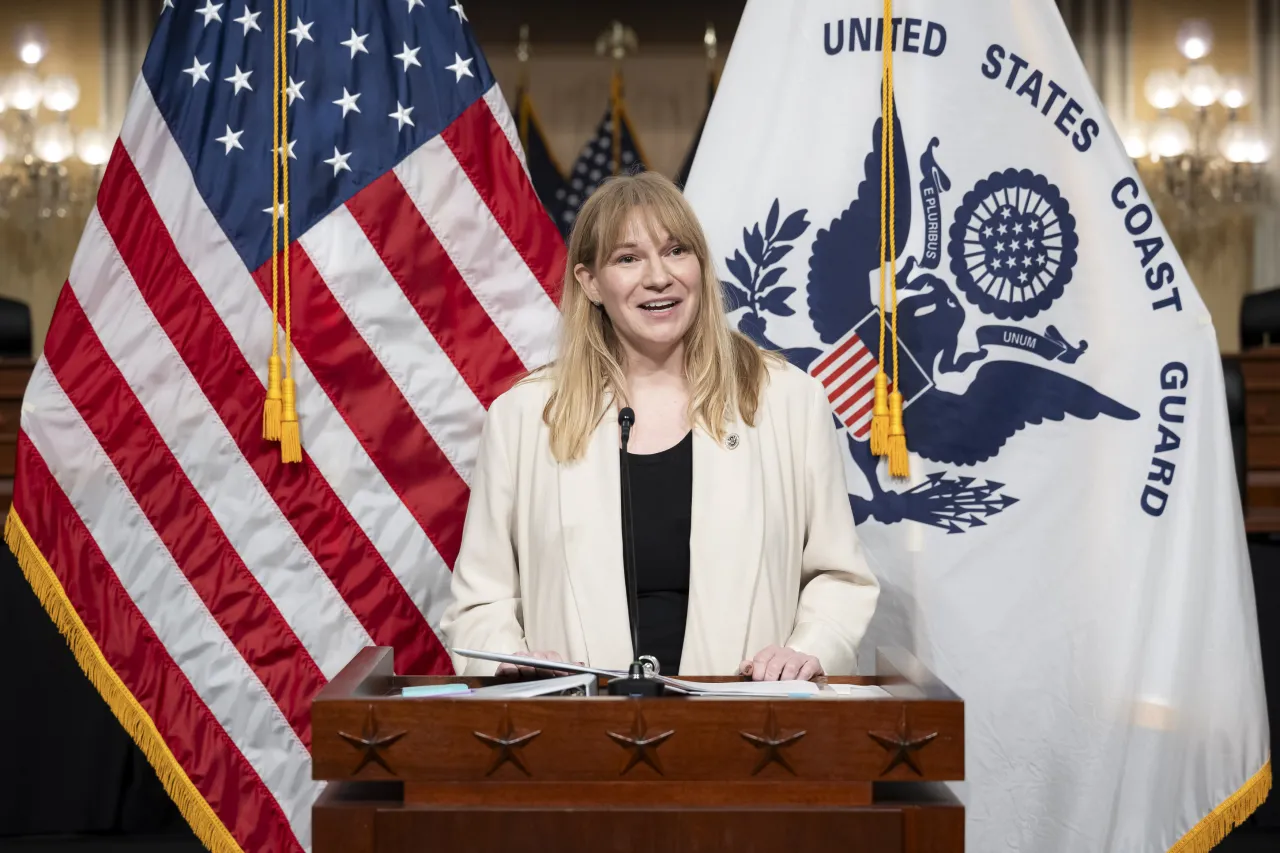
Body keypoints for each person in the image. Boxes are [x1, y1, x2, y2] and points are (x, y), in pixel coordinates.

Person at [440, 171, 879, 681]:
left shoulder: (786, 401)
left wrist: (810, 648)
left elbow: (838, 575)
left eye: (676, 251)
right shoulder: (525, 418)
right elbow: (479, 604)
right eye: (628, 259)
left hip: (746, 728)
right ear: (590, 283)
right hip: (576, 733)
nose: (658, 277)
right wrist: (518, 665)